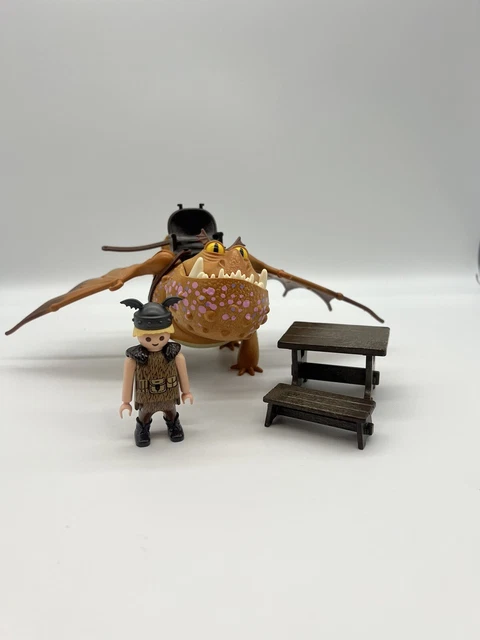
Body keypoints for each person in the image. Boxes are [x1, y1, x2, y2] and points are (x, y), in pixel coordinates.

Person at [119, 297, 193, 447]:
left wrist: (186, 392)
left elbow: (182, 373)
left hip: (169, 392)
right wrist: (126, 402)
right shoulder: (134, 359)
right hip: (146, 395)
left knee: (171, 412)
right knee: (145, 415)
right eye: (148, 338)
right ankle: (142, 429)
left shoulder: (174, 355)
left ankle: (173, 425)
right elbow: (128, 381)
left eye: (161, 337)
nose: (155, 341)